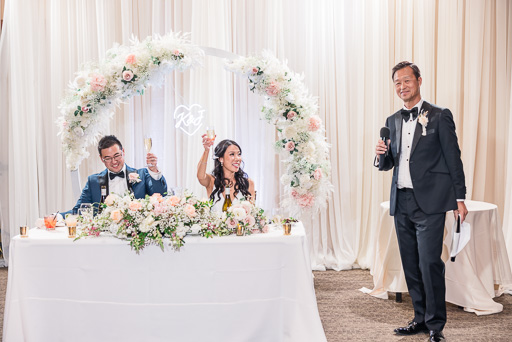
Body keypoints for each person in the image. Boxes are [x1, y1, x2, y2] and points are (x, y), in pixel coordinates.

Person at [375, 61, 467, 342]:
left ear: (419, 81)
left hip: (430, 203)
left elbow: (453, 158)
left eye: (406, 81)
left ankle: (436, 325)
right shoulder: (392, 120)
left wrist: (459, 198)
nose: (402, 87)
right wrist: (380, 154)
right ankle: (419, 318)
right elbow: (388, 163)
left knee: (430, 264)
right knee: (411, 264)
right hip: (401, 200)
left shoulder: (439, 116)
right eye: (397, 83)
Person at [63, 135, 167, 216]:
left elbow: (161, 195)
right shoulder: (93, 181)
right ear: (101, 159)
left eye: (117, 155)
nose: (114, 162)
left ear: (123, 152)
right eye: (108, 158)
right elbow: (79, 210)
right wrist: (57, 217)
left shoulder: (142, 174)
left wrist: (154, 171)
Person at [197, 135, 254, 211]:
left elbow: (252, 213)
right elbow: (200, 176)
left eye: (239, 154)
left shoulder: (248, 183)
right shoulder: (211, 181)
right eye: (232, 154)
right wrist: (206, 150)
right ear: (221, 159)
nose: (237, 158)